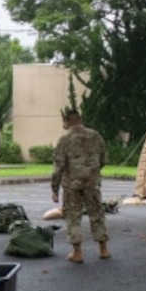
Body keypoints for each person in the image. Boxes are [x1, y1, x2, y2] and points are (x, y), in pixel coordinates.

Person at [52, 108, 110, 263]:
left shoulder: (64, 139)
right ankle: (103, 249)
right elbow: (103, 158)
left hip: (72, 184)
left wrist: (55, 189)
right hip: (92, 182)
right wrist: (93, 173)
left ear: (66, 122)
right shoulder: (95, 136)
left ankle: (77, 252)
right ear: (80, 119)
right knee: (97, 213)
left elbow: (59, 166)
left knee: (73, 216)